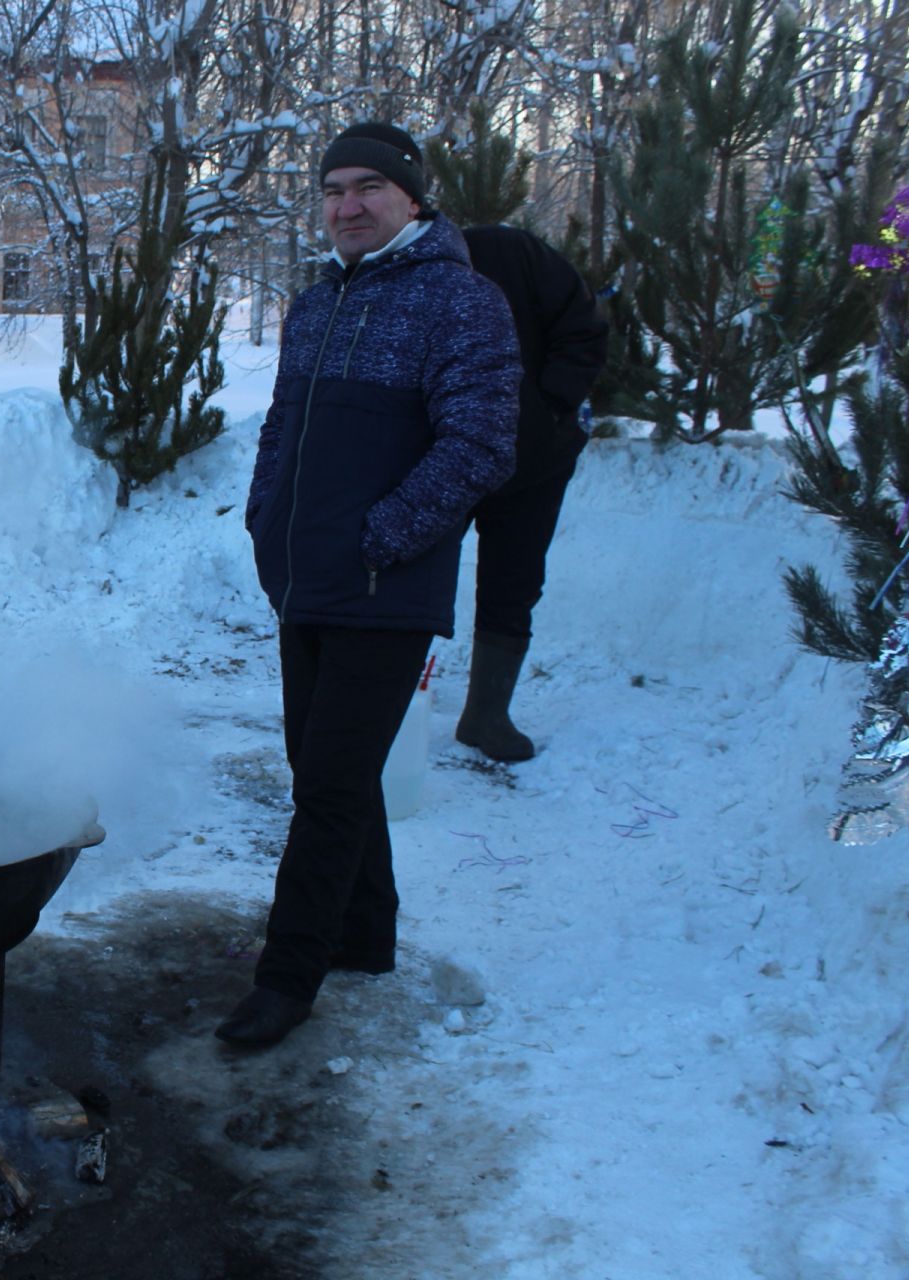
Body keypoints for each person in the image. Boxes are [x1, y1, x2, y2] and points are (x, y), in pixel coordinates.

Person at [219, 123, 521, 1048]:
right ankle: (365, 933)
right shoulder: (315, 304)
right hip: (306, 579)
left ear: (412, 199)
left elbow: (480, 444)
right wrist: (267, 518)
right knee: (326, 768)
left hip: (385, 588)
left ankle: (288, 975)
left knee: (331, 787)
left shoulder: (461, 303)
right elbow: (281, 429)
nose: (347, 206)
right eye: (333, 189)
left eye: (369, 188)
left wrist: (380, 539)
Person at [453, 224, 609, 761]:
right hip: (436, 461)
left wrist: (548, 410)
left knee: (514, 582)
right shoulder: (387, 267)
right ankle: (388, 706)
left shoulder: (507, 251)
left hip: (532, 459)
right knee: (405, 581)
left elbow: (584, 327)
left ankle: (487, 715)